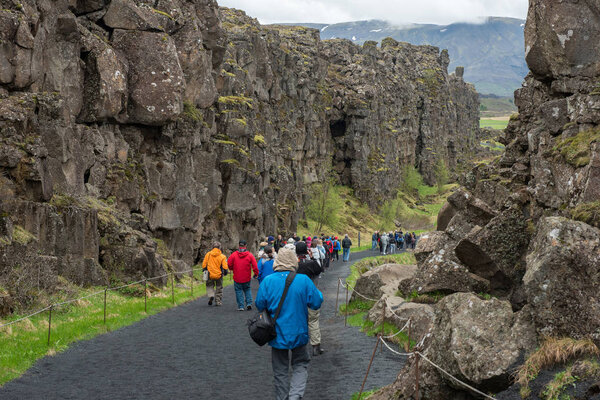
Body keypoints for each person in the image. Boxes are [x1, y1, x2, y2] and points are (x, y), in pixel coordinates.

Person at [255, 247, 323, 400]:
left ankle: (283, 397)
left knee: (280, 370)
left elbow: (259, 305)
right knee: (300, 364)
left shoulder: (268, 281)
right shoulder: (303, 280)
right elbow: (316, 302)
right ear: (294, 261)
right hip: (299, 331)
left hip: (276, 333)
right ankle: (295, 396)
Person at [295, 241, 325, 356]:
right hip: (311, 295)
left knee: (298, 321)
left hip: (297, 297)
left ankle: (299, 346)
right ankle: (316, 346)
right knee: (313, 321)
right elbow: (320, 269)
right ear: (307, 251)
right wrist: (312, 258)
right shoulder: (311, 264)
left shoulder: (293, 266)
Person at [228, 240, 259, 311]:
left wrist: (232, 268)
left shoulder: (234, 255)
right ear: (245, 246)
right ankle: (249, 303)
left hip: (237, 277)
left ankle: (241, 306)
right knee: (247, 289)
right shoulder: (250, 255)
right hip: (247, 277)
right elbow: (255, 266)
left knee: (238, 291)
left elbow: (229, 264)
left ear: (239, 245)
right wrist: (256, 273)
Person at [201, 241, 229, 306]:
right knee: (219, 287)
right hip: (219, 275)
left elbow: (204, 265)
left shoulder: (208, 254)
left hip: (210, 274)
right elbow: (225, 267)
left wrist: (205, 270)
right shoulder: (223, 256)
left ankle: (211, 295)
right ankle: (218, 301)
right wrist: (225, 272)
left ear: (212, 247)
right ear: (219, 247)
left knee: (209, 286)